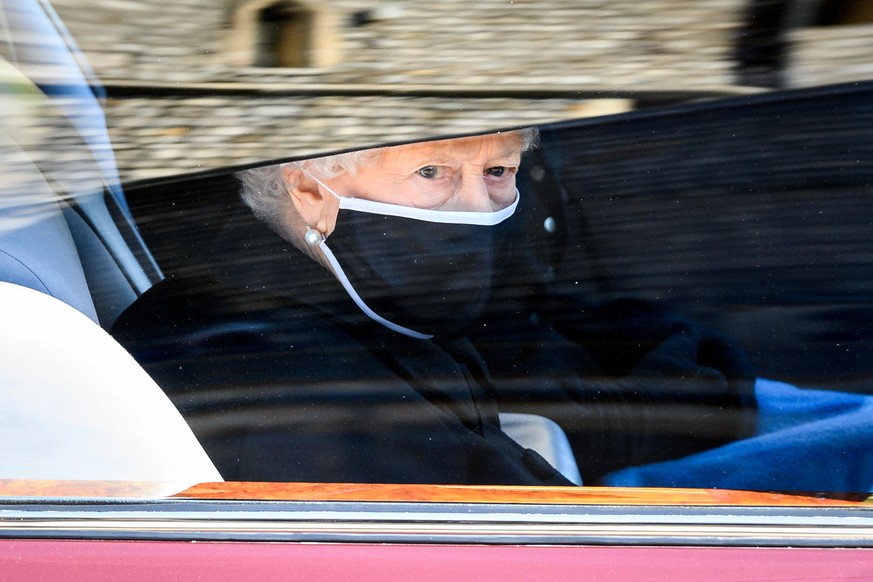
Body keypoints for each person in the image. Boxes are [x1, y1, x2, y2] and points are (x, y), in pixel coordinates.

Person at [111, 129, 762, 486]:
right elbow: (525, 539)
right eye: (432, 172)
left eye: (498, 171)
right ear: (309, 190)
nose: (478, 208)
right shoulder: (250, 356)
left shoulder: (372, 302)